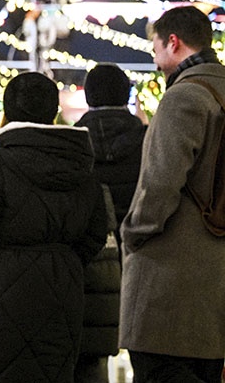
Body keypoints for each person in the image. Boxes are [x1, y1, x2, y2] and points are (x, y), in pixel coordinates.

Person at [0, 71, 108, 383]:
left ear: (8, 111)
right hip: (63, 285)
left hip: (5, 283)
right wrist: (64, 258)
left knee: (1, 370)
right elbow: (96, 232)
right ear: (53, 112)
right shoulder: (81, 163)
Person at [119, 5, 225, 382]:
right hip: (215, 285)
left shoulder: (184, 97)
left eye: (155, 47)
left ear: (173, 43)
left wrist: (133, 233)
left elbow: (160, 183)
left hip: (172, 285)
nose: (154, 57)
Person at [74, 63, 145, 383]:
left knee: (91, 354)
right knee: (145, 351)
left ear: (88, 97)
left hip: (91, 260)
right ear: (127, 94)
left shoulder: (74, 142)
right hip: (141, 254)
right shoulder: (147, 138)